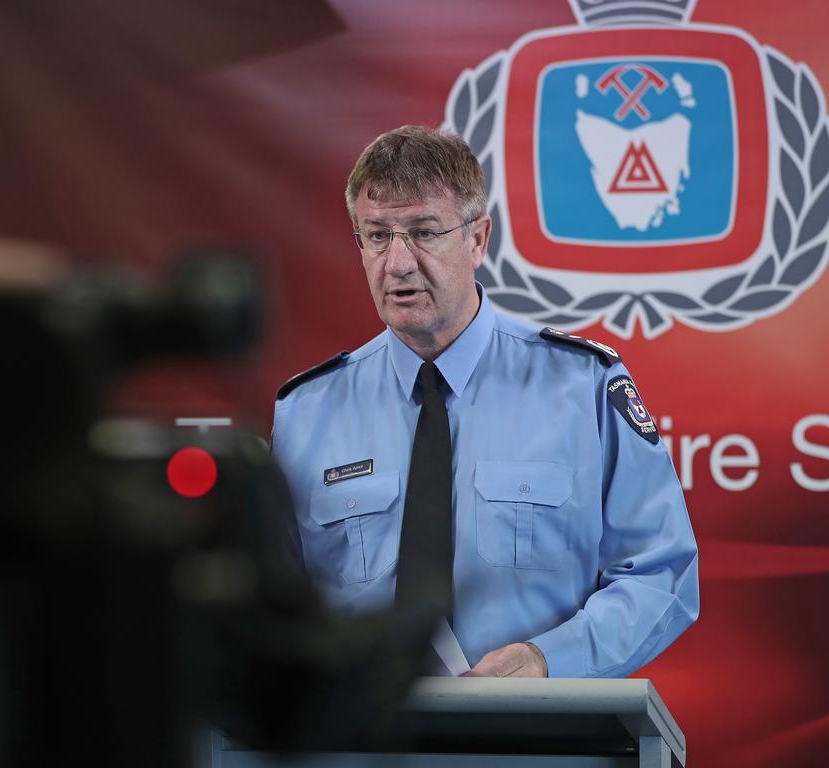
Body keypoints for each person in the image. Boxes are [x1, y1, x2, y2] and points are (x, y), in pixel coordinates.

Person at [270, 125, 699, 678]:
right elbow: (271, 609)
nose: (397, 263)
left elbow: (661, 573)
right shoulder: (307, 411)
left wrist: (551, 659)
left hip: (535, 743)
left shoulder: (582, 386)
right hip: (358, 745)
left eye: (423, 232)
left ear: (477, 238)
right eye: (377, 236)